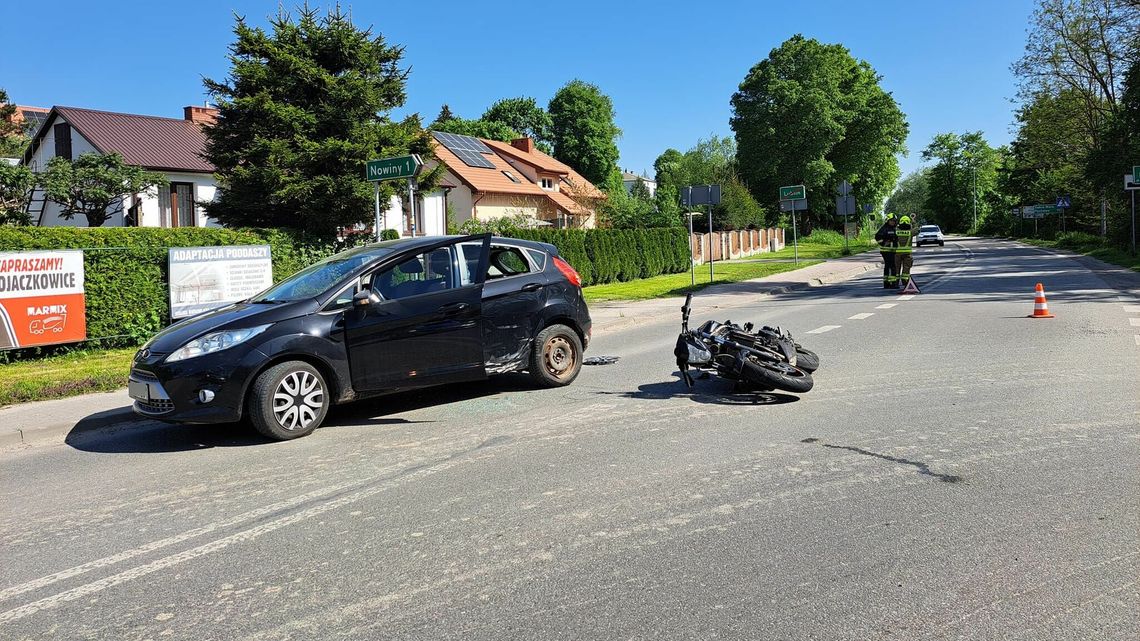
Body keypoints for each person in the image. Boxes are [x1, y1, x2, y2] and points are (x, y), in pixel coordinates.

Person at [874, 214, 899, 288]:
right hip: (886, 251)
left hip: (893, 251)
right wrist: (883, 243)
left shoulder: (894, 228)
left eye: (894, 221)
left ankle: (887, 283)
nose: (893, 222)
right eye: (891, 221)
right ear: (888, 221)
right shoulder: (884, 228)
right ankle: (893, 283)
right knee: (892, 266)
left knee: (888, 266)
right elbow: (877, 237)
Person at [895, 215, 915, 288]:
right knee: (906, 269)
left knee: (896, 269)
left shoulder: (896, 231)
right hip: (907, 254)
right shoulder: (911, 232)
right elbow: (917, 229)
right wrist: (913, 220)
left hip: (897, 254)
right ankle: (905, 282)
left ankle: (895, 282)